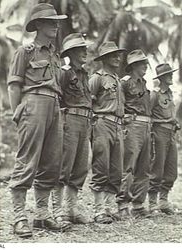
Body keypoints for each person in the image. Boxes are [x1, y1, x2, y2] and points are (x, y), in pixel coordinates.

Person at [7, 3, 69, 238]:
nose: (55, 26)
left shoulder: (54, 54)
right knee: (27, 160)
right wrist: (18, 113)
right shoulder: (27, 51)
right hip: (33, 102)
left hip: (54, 104)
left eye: (56, 22)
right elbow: (14, 85)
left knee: (52, 161)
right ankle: (19, 217)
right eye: (51, 22)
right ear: (38, 25)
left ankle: (42, 215)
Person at [51, 33, 92, 224]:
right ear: (71, 52)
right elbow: (56, 96)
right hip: (69, 120)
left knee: (81, 166)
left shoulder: (84, 74)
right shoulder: (64, 72)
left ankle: (71, 209)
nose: (85, 52)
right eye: (81, 49)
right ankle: (58, 209)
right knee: (64, 166)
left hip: (85, 122)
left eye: (85, 49)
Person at [89, 41, 126, 224]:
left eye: (118, 55)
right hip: (102, 123)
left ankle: (109, 207)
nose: (117, 58)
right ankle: (98, 210)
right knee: (101, 167)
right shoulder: (97, 78)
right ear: (104, 59)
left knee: (116, 170)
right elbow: (87, 101)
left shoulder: (118, 80)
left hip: (118, 125)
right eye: (113, 55)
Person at [116, 49, 152, 219]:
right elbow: (118, 103)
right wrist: (124, 119)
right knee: (128, 166)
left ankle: (138, 205)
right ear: (133, 65)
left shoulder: (143, 83)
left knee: (144, 167)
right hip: (132, 125)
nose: (145, 66)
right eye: (142, 63)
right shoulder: (125, 83)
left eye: (145, 62)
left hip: (146, 126)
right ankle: (123, 204)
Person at [149, 63, 180, 215]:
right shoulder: (154, 94)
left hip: (171, 134)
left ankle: (163, 200)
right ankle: (153, 203)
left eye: (171, 74)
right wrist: (165, 122)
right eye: (168, 75)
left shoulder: (169, 94)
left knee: (171, 169)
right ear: (161, 78)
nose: (171, 76)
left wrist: (174, 122)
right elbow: (148, 117)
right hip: (159, 133)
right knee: (157, 168)